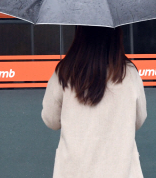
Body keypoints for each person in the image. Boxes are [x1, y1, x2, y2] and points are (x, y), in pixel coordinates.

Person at [41, 26, 147, 178]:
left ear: (80, 35)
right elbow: (138, 120)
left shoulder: (65, 72)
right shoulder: (128, 73)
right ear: (116, 34)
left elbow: (50, 120)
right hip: (122, 171)